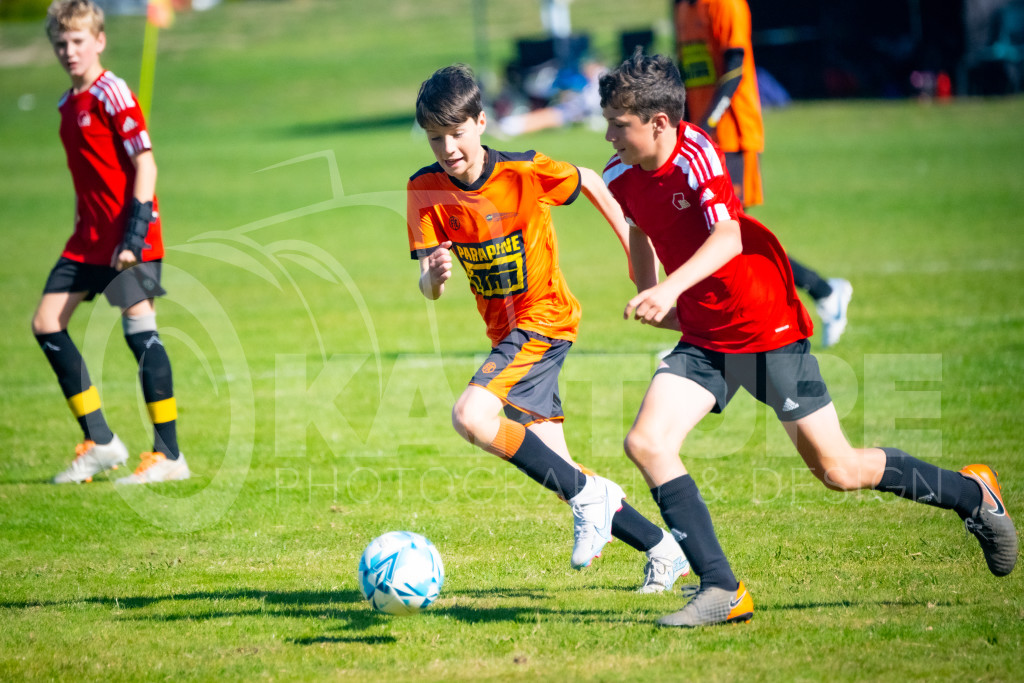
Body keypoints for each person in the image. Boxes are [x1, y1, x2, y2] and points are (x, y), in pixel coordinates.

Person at [597, 51, 1017, 627]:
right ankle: (722, 589)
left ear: (660, 122)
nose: (608, 135)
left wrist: (669, 288)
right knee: (647, 442)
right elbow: (639, 227)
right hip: (705, 334)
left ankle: (972, 496)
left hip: (763, 324)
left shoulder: (697, 153)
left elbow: (728, 237)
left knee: (838, 469)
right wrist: (649, 290)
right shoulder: (619, 174)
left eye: (618, 124)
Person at [406, 64, 689, 592]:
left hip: (545, 319)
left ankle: (592, 497)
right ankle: (662, 547)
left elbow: (591, 179)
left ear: (481, 123)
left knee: (470, 416)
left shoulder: (524, 170)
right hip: (505, 335)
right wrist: (434, 278)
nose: (447, 148)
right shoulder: (423, 188)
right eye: (435, 138)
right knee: (560, 471)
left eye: (457, 133)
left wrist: (638, 261)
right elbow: (428, 286)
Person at [35, 0, 189, 485]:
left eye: (78, 41)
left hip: (128, 239)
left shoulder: (112, 91)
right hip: (87, 241)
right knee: (46, 324)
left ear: (99, 41)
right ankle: (100, 441)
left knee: (139, 333)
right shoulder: (67, 105)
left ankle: (169, 455)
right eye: (61, 43)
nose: (69, 51)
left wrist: (135, 237)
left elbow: (146, 164)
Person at [674, 0, 853, 347]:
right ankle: (821, 291)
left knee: (728, 233)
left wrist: (707, 124)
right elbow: (688, 72)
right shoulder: (684, 8)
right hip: (703, 136)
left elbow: (735, 68)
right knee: (717, 234)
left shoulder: (725, 5)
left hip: (730, 135)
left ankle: (814, 294)